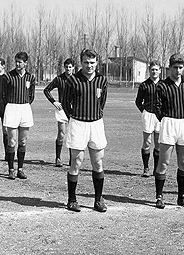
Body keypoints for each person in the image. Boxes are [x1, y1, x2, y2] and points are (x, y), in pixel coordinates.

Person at [64, 49, 108, 213]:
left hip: (96, 124)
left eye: (92, 62)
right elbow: (65, 101)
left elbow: (102, 102)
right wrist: (74, 117)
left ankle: (98, 199)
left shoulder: (102, 80)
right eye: (86, 62)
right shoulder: (73, 80)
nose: (89, 66)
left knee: (98, 162)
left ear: (96, 63)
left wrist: (95, 114)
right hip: (78, 124)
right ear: (81, 63)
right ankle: (72, 199)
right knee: (76, 161)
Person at [154, 53, 184, 209]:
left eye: (181, 67)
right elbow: (157, 107)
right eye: (175, 68)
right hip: (168, 124)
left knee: (183, 163)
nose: (178, 71)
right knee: (163, 163)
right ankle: (159, 196)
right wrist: (167, 119)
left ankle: (181, 197)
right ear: (169, 68)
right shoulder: (162, 86)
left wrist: (182, 116)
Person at [3, 52, 36, 180]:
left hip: (25, 108)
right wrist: (11, 106)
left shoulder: (30, 78)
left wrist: (24, 104)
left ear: (25, 63)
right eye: (16, 61)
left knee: (23, 141)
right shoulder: (8, 77)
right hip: (12, 108)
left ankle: (20, 169)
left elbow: (31, 96)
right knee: (12, 141)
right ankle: (11, 169)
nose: (17, 64)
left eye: (20, 62)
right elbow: (4, 94)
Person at [43, 58, 75, 167]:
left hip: (74, 111)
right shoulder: (59, 79)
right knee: (61, 134)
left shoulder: (77, 79)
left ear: (73, 68)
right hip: (61, 109)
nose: (68, 69)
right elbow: (46, 90)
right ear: (64, 68)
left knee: (72, 135)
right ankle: (58, 158)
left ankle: (72, 159)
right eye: (66, 67)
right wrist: (54, 101)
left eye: (70, 67)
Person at [135, 61, 162, 177]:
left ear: (160, 71)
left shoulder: (164, 85)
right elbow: (138, 101)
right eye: (152, 69)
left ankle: (156, 169)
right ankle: (146, 168)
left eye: (156, 69)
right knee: (147, 142)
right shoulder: (144, 85)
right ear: (149, 70)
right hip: (148, 115)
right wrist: (145, 111)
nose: (154, 72)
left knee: (158, 143)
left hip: (160, 117)